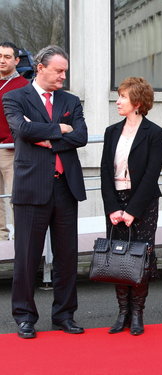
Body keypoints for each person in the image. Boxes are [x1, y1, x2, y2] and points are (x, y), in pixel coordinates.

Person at [2, 45, 87, 339]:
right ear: (41, 68)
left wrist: (47, 134)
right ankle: (25, 317)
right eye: (58, 71)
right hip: (31, 188)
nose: (63, 76)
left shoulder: (71, 100)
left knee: (67, 257)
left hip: (65, 188)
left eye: (65, 71)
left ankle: (64, 315)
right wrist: (59, 129)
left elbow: (81, 136)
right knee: (27, 257)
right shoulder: (14, 97)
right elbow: (21, 131)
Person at [100, 77, 162, 336]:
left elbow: (151, 175)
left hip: (143, 204)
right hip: (116, 203)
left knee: (140, 258)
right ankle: (122, 312)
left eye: (123, 97)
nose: (118, 101)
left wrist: (132, 211)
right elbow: (105, 172)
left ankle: (137, 313)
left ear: (137, 102)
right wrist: (113, 208)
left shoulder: (155, 133)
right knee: (117, 257)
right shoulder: (111, 131)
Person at [0, 42, 29, 240]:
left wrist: (14, 140)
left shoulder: (24, 87)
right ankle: (1, 237)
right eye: (0, 56)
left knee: (15, 197)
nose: (2, 60)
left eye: (7, 57)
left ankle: (22, 240)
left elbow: (28, 118)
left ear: (17, 60)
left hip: (10, 149)